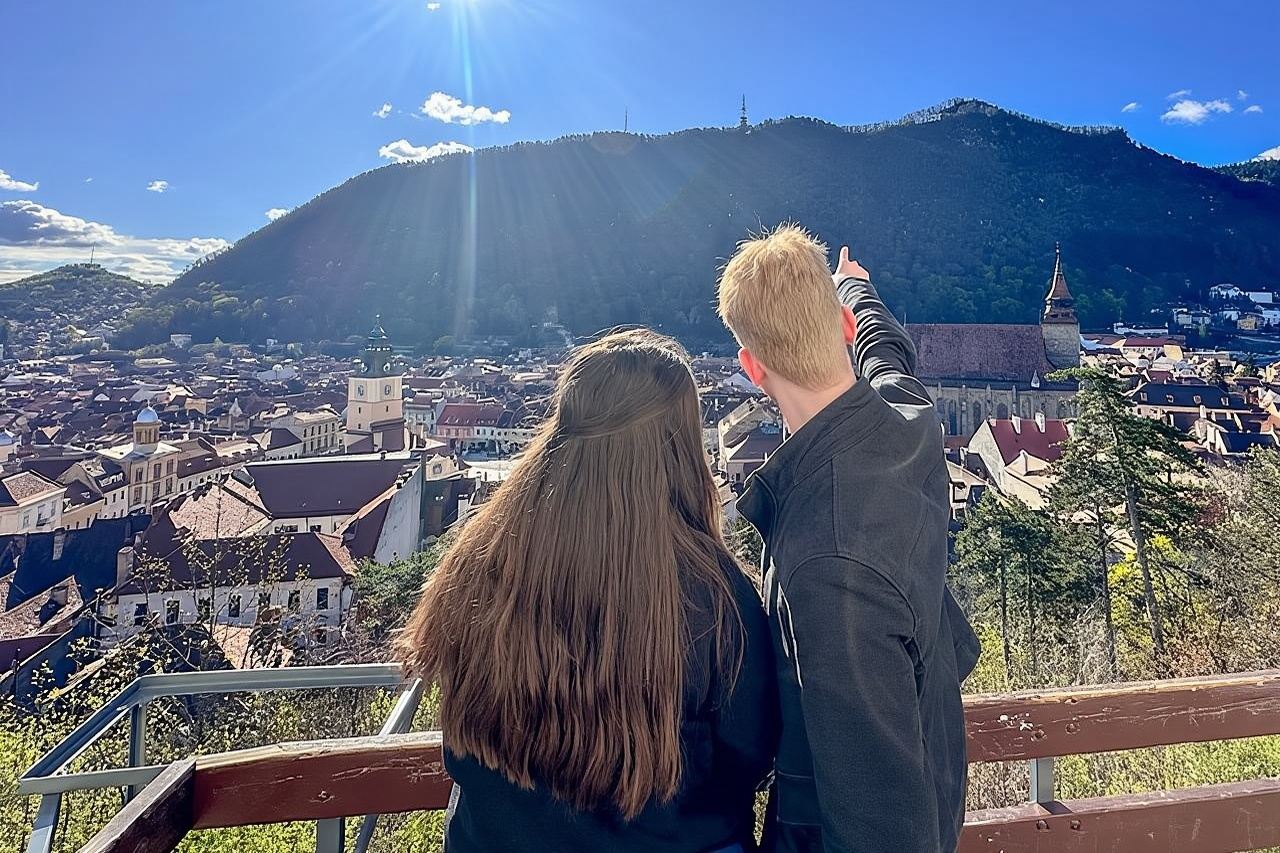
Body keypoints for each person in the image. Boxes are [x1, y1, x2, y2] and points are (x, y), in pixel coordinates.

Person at [398, 328, 779, 853]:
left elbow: (455, 722)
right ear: (679, 442)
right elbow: (750, 751)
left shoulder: (481, 557)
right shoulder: (713, 593)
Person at [717, 225, 981, 853]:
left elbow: (879, 829)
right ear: (838, 325)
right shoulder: (907, 419)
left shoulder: (829, 560)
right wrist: (858, 294)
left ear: (751, 367)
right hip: (936, 760)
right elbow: (888, 357)